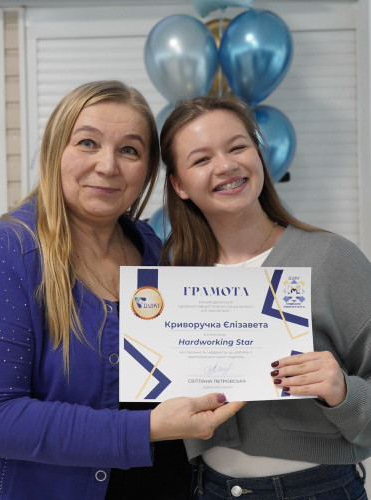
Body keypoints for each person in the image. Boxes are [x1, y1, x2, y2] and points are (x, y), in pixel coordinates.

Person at [0, 81, 244, 500]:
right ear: (55, 150)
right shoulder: (6, 252)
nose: (108, 166)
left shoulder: (151, 249)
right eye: (88, 143)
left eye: (129, 150)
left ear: (147, 170)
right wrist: (147, 428)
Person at [159, 95, 371, 500]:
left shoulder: (332, 260)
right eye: (201, 159)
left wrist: (344, 392)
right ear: (179, 185)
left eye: (238, 147)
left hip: (317, 490)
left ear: (259, 155)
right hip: (208, 488)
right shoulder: (171, 282)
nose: (226, 165)